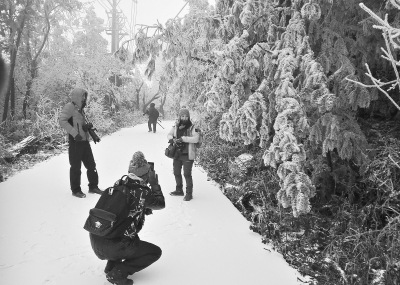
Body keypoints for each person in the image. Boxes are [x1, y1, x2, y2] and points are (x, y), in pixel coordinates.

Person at [89, 152, 165, 285]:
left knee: (127, 234)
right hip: (115, 244)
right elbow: (160, 204)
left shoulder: (119, 183)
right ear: (146, 175)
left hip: (97, 238)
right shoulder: (142, 191)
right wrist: (154, 185)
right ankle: (118, 273)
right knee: (154, 252)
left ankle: (111, 266)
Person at [59, 87, 103, 198]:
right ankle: (76, 190)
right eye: (83, 96)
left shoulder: (80, 110)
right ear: (78, 96)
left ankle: (93, 186)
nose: (84, 98)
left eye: (85, 96)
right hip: (75, 142)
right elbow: (62, 121)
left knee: (91, 165)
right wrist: (74, 133)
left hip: (84, 142)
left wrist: (87, 127)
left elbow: (79, 125)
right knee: (75, 167)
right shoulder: (69, 107)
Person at [167, 108, 199, 201]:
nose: (184, 118)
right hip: (177, 154)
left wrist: (183, 139)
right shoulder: (176, 126)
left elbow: (196, 139)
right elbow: (169, 134)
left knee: (187, 174)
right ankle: (179, 190)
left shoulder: (192, 127)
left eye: (186, 116)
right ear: (179, 117)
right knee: (176, 173)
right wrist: (172, 139)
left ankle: (189, 194)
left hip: (188, 155)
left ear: (188, 117)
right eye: (182, 116)